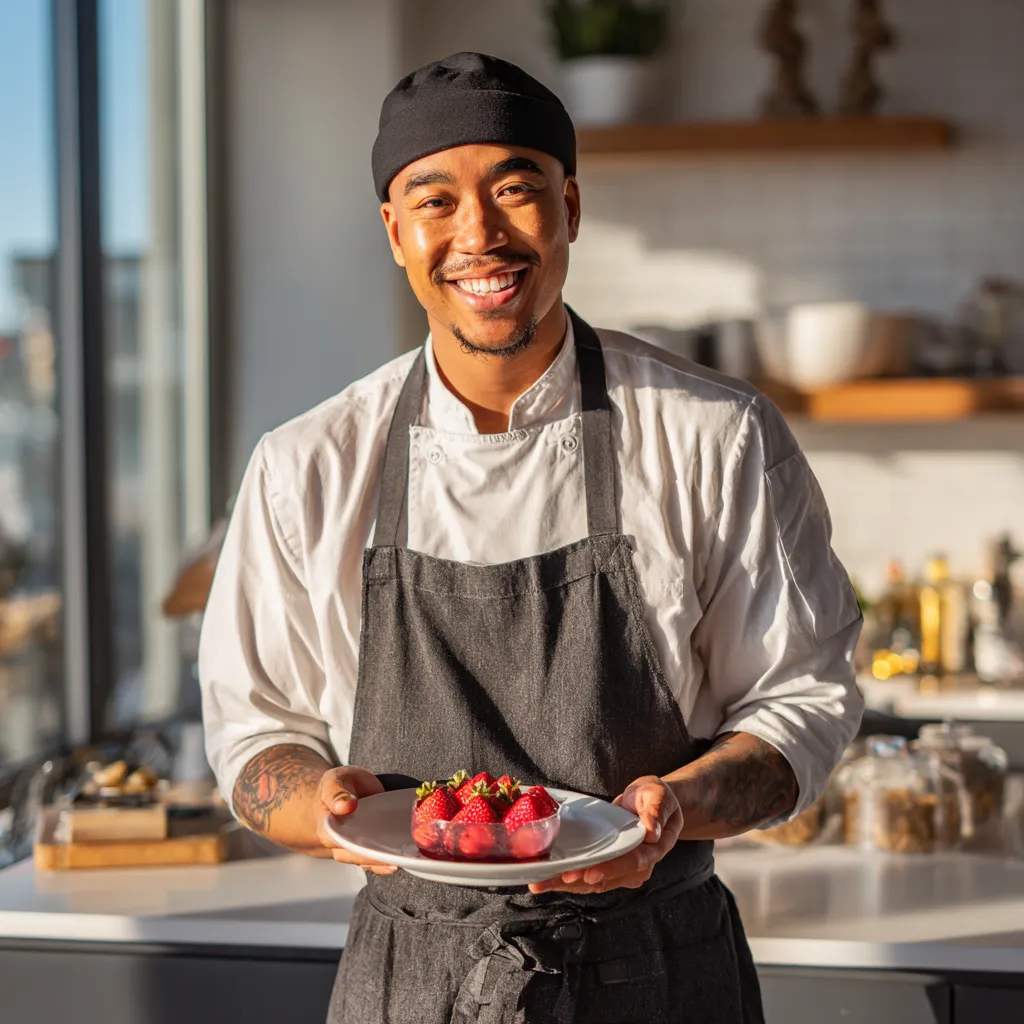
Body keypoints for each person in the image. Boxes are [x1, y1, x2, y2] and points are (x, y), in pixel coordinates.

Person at [199, 52, 863, 1024]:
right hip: (407, 979)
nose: (478, 235)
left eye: (514, 190)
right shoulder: (306, 465)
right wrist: (321, 804)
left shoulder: (716, 436)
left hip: (659, 967)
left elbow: (802, 699)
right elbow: (254, 732)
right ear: (394, 232)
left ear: (571, 207)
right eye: (435, 201)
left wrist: (672, 809)